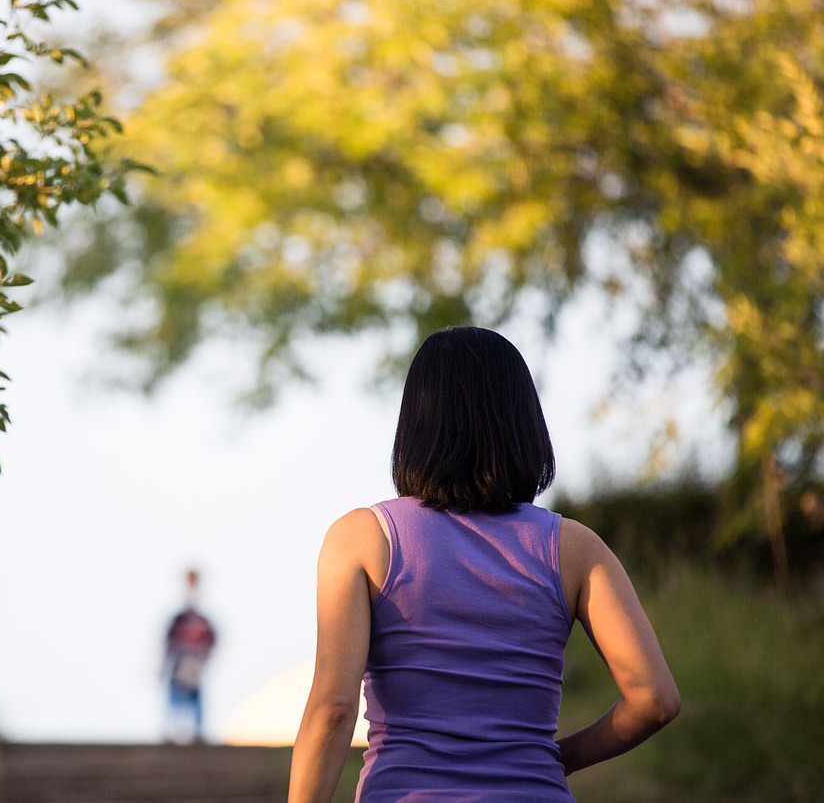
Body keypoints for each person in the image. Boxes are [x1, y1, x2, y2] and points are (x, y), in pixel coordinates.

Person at [289, 326, 680, 802]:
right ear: (523, 422)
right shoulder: (574, 548)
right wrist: (558, 758)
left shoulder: (361, 540)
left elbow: (332, 709)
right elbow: (654, 699)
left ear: (414, 424)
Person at [163, 569, 217, 744]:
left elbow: (211, 641)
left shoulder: (201, 621)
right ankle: (173, 731)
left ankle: (195, 732)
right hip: (179, 668)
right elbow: (169, 642)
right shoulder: (179, 619)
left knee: (194, 701)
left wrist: (203, 660)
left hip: (194, 668)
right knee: (176, 700)